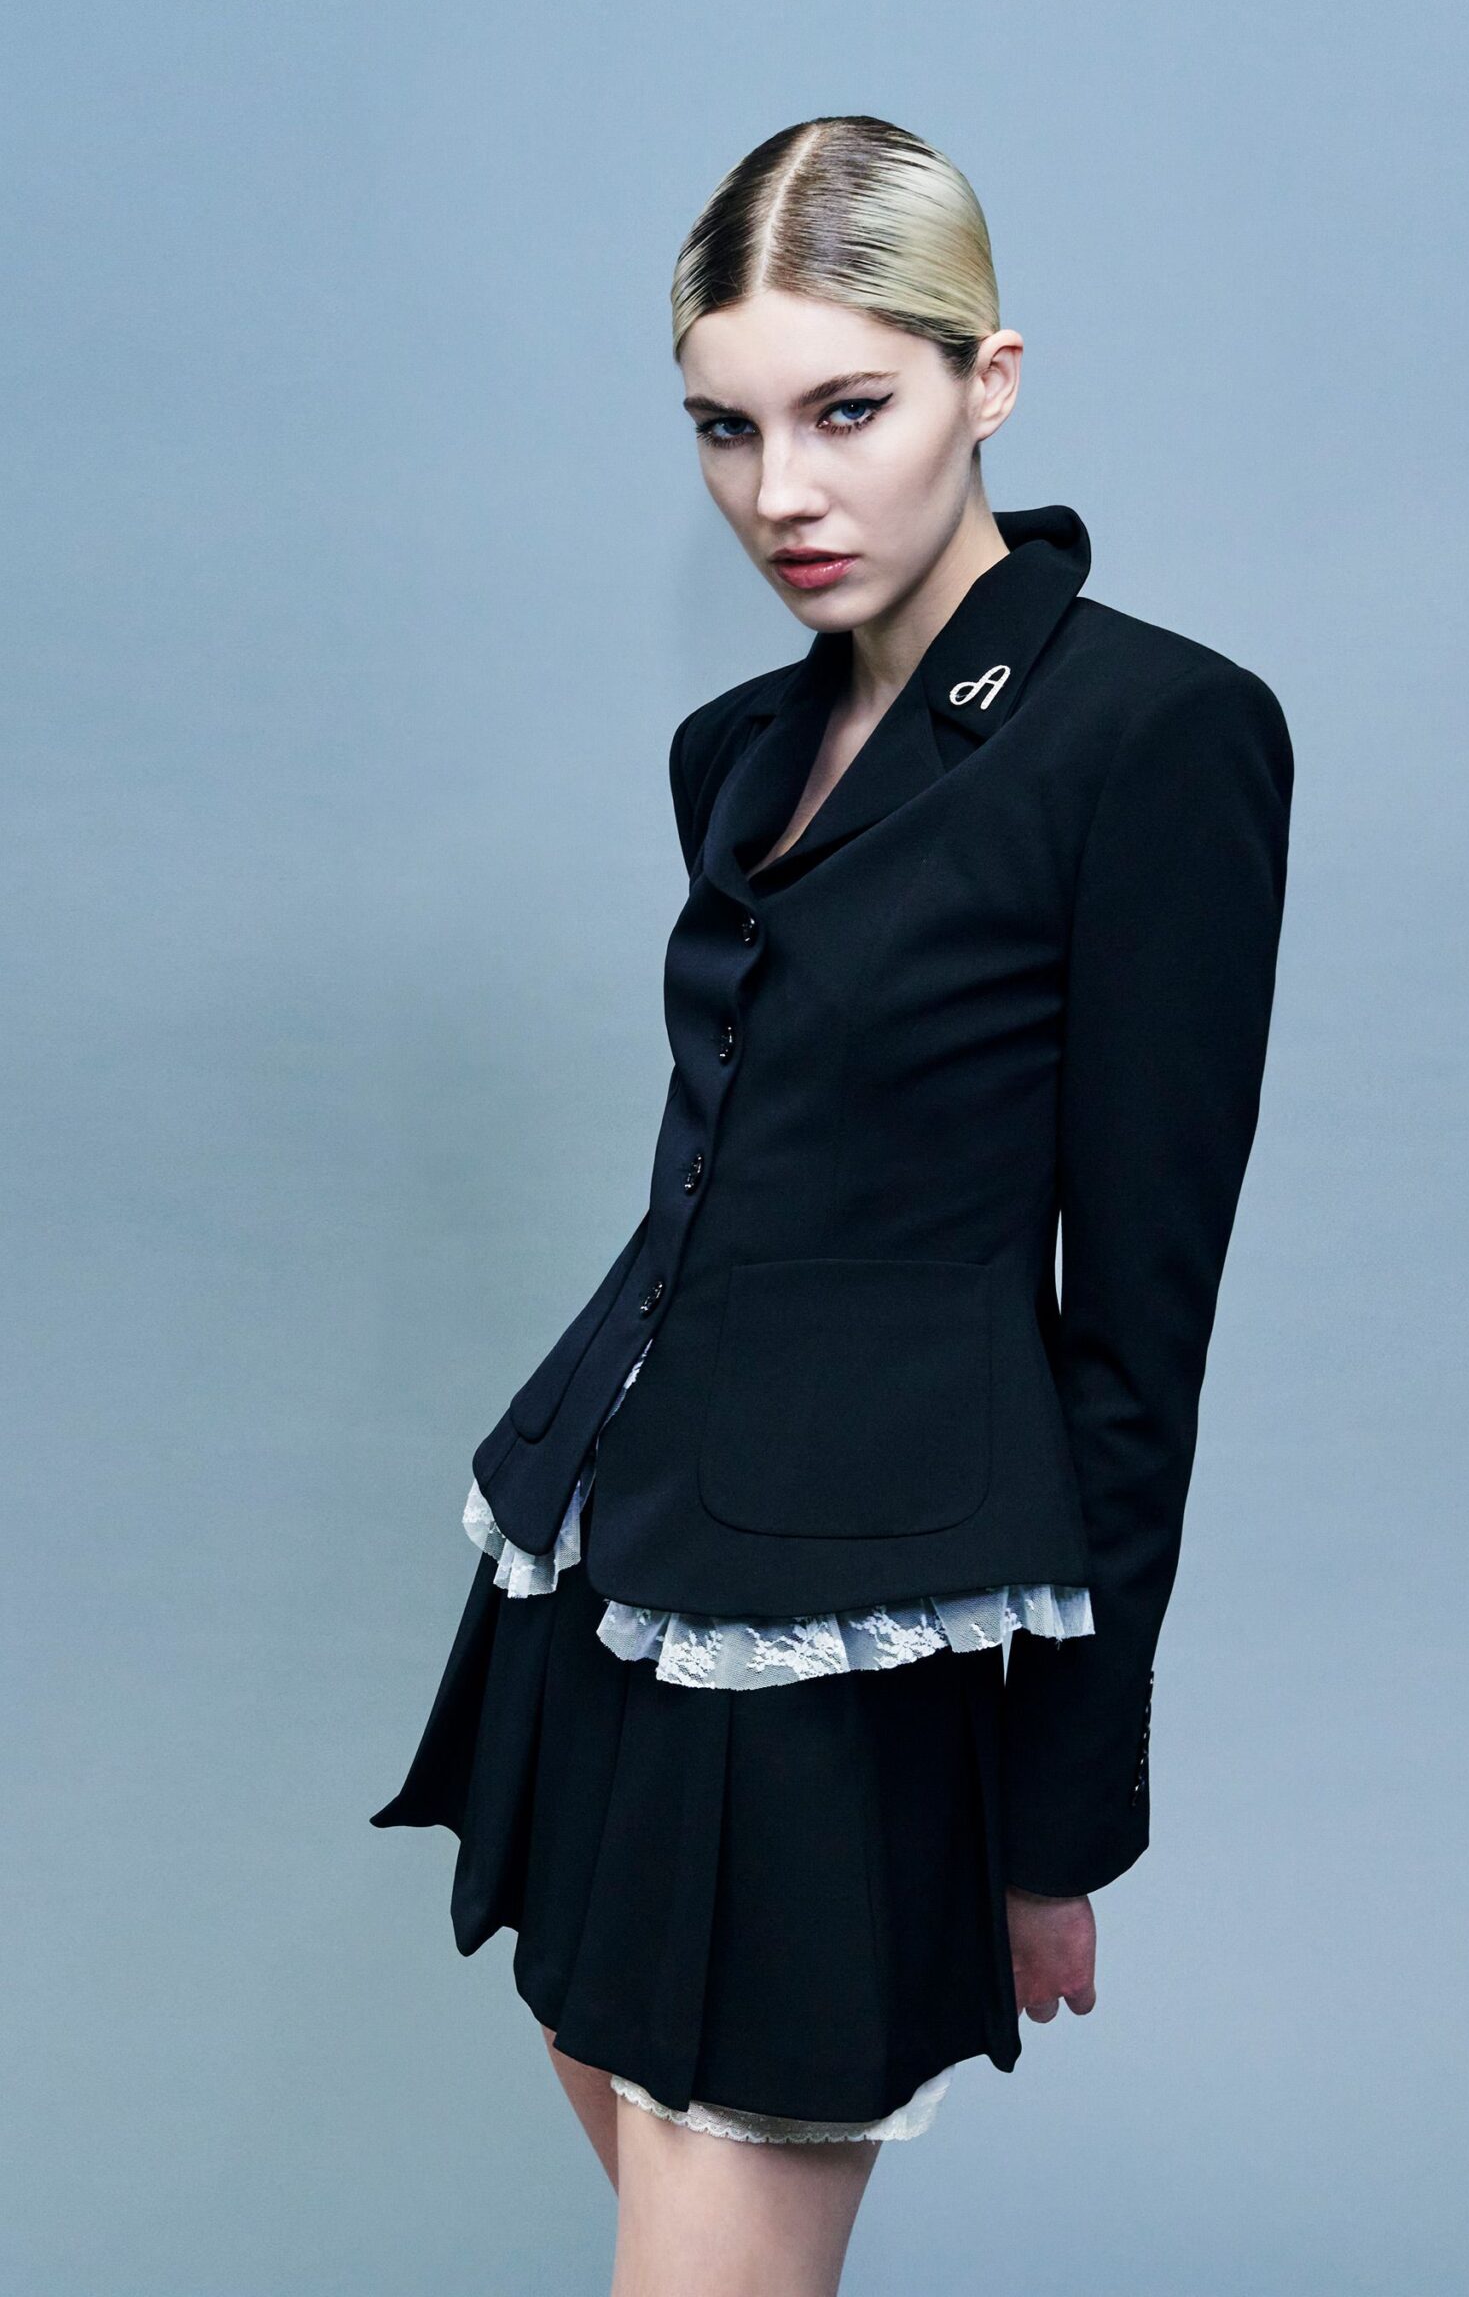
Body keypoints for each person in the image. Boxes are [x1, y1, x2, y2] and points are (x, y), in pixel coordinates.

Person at [372, 113, 1294, 2297]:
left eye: (846, 410)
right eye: (726, 427)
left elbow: (1137, 1329)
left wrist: (1061, 1809)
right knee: (647, 2187)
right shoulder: (730, 748)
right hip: (607, 1570)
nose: (781, 490)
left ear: (989, 380)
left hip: (849, 1646)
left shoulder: (1156, 736)